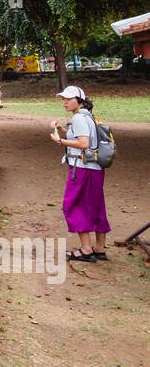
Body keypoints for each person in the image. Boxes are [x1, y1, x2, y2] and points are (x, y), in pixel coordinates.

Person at [50, 85, 110, 262]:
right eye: (64, 99)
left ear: (80, 100)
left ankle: (85, 249)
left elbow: (83, 143)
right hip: (95, 169)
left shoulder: (78, 118)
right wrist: (62, 129)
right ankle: (99, 248)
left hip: (82, 169)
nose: (65, 103)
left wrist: (60, 141)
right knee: (96, 206)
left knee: (73, 205)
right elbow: (82, 138)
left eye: (69, 99)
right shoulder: (88, 117)